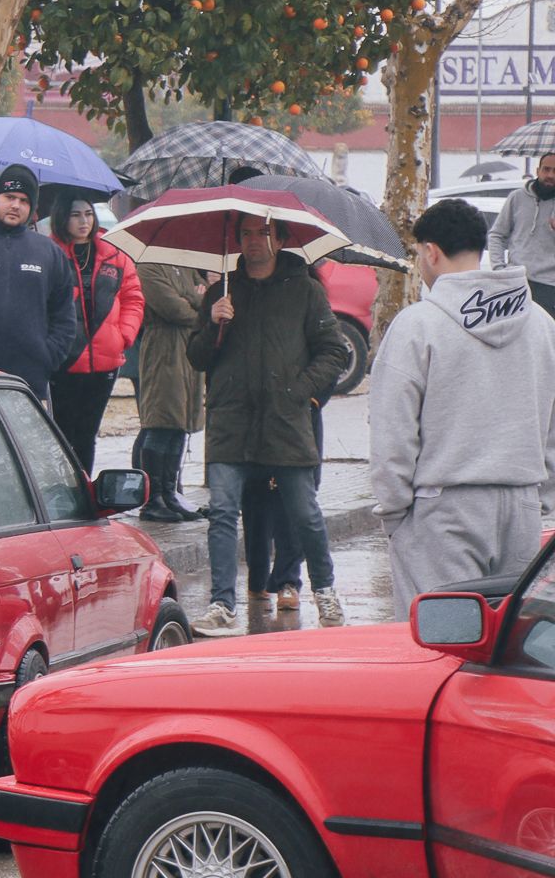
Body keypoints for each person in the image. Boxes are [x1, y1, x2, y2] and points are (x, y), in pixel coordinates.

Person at [372, 198, 555, 613]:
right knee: (508, 647)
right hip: (522, 504)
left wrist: (394, 514)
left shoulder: (418, 325)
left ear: (430, 251)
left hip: (443, 507)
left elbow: (392, 430)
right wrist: (542, 497)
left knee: (438, 642)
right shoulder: (542, 324)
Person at [186, 215, 347, 636]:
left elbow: (334, 351)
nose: (253, 241)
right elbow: (198, 357)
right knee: (222, 511)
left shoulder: (306, 292)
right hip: (230, 421)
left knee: (304, 512)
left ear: (278, 239)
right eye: (246, 234)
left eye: (262, 233)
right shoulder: (222, 292)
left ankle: (325, 589)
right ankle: (222, 603)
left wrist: (302, 392)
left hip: (285, 422)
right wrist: (214, 323)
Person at [0, 165, 78, 399]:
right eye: (9, 197)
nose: (16, 205)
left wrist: (47, 356)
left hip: (28, 380)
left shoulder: (48, 252)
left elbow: (65, 316)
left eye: (24, 200)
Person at [49, 199, 143, 471]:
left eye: (89, 214)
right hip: (65, 360)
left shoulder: (114, 255)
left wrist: (123, 335)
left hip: (105, 360)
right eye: (75, 214)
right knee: (62, 434)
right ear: (62, 218)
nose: (84, 221)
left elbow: (133, 298)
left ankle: (85, 490)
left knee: (87, 434)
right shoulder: (51, 253)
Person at [131, 263, 211, 521]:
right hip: (163, 350)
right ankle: (153, 499)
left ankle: (170, 493)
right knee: (161, 421)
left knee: (181, 423)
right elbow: (174, 309)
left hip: (189, 349)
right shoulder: (148, 268)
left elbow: (209, 299)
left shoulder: (186, 266)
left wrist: (196, 298)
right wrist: (194, 298)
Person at [487, 152, 555, 316]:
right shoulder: (517, 197)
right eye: (546, 169)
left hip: (549, 287)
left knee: (545, 339)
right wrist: (499, 269)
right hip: (515, 282)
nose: (550, 175)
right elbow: (497, 235)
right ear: (538, 170)